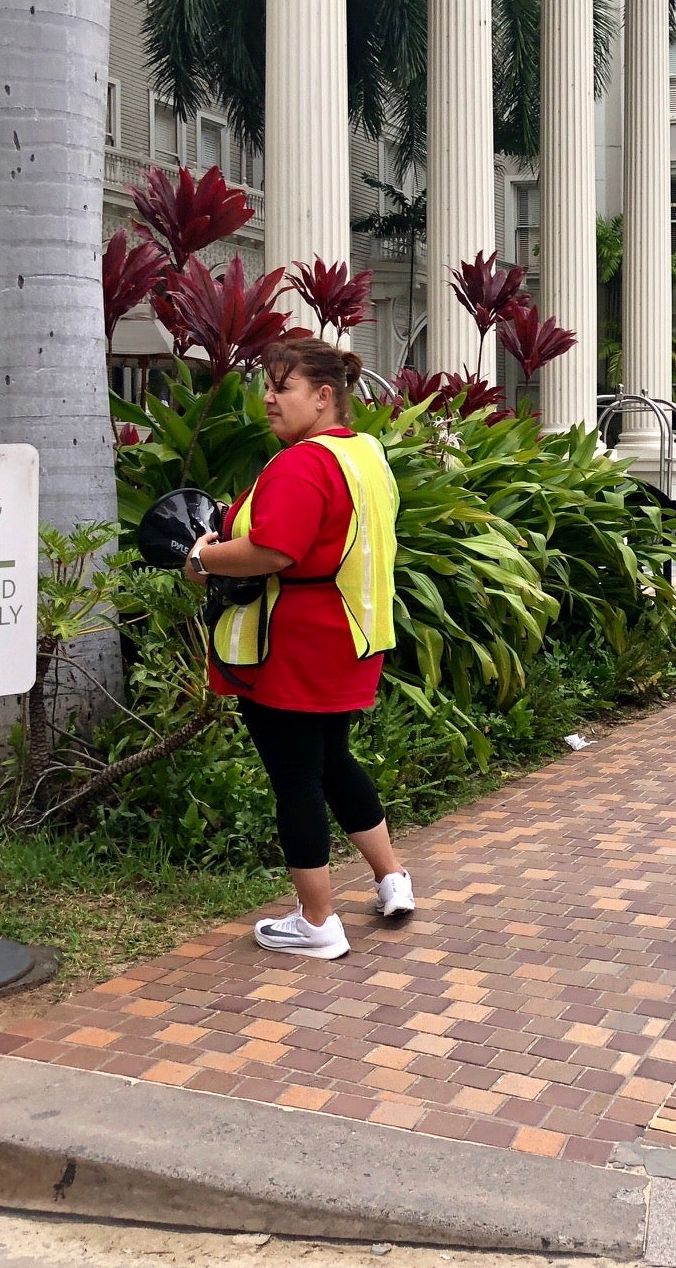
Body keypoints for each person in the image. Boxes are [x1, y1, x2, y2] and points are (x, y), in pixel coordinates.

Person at [183, 337, 411, 958]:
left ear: (323, 396)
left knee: (296, 778)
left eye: (282, 387)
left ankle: (317, 922)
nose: (268, 399)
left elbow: (273, 549)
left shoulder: (302, 463)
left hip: (294, 644)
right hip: (354, 635)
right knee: (332, 760)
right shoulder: (364, 453)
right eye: (267, 386)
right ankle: (392, 878)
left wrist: (202, 559)